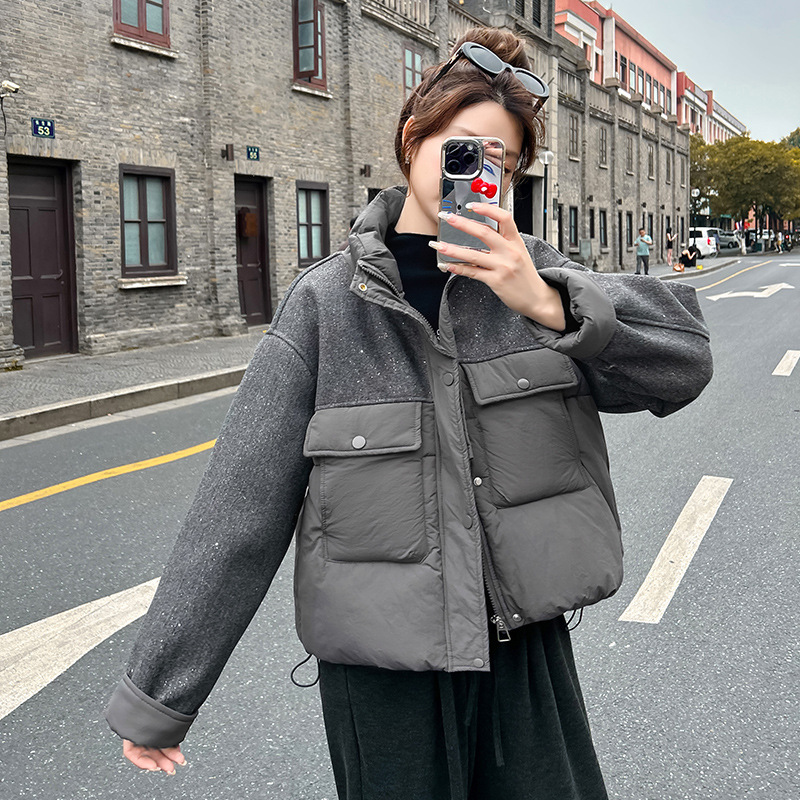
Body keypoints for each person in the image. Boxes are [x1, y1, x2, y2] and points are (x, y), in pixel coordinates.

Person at [104, 26, 713, 800]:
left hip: (522, 655)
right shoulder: (326, 307)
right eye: (461, 150)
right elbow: (238, 507)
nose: (478, 173)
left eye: (500, 161)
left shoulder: (543, 280)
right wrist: (161, 695)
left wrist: (545, 302)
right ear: (412, 139)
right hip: (379, 681)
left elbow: (684, 362)